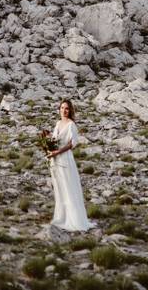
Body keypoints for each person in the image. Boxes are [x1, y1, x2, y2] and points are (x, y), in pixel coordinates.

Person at [47, 99, 95, 232]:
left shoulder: (71, 125)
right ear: (59, 109)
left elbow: (71, 144)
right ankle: (62, 216)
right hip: (55, 159)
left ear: (70, 110)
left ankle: (73, 219)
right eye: (62, 108)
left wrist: (58, 151)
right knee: (60, 187)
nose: (64, 110)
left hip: (65, 158)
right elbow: (54, 139)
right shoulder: (58, 123)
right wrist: (48, 144)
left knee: (68, 187)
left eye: (67, 108)